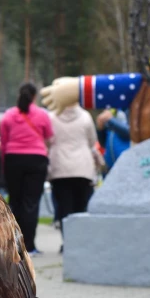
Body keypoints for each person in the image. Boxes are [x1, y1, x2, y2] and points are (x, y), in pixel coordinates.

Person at [0, 82, 54, 256]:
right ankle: (29, 246)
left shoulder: (8, 116)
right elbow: (49, 139)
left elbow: (3, 142)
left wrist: (4, 163)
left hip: (13, 160)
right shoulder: (42, 115)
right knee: (31, 204)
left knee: (15, 202)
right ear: (35, 97)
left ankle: (14, 244)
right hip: (36, 160)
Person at [48, 104, 99, 253]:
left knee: (64, 208)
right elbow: (92, 140)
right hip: (82, 167)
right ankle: (80, 241)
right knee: (81, 207)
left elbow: (49, 139)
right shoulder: (85, 117)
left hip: (60, 168)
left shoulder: (52, 117)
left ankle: (67, 241)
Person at [96, 108, 130, 173]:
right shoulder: (111, 109)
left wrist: (111, 120)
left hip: (127, 166)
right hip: (110, 168)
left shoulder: (130, 108)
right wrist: (100, 129)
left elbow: (131, 133)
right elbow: (103, 144)